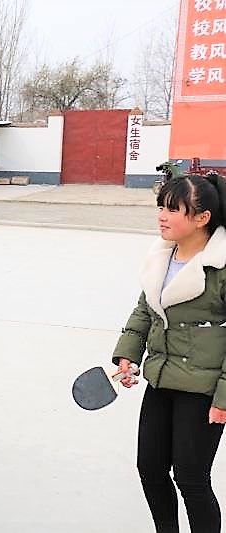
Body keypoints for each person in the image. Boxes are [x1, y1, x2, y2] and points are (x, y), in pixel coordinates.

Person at [113, 173, 226, 533]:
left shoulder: (221, 268)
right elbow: (145, 309)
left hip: (204, 390)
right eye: (160, 206)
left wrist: (223, 398)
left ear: (201, 218)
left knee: (192, 479)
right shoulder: (161, 255)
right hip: (160, 381)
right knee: (150, 468)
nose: (161, 215)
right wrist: (127, 354)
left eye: (172, 209)